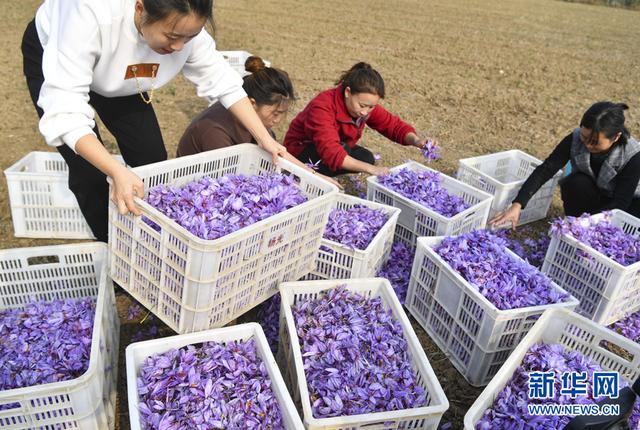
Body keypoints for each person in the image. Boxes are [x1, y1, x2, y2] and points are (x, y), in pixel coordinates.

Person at [21, 0, 286, 242]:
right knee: (90, 173)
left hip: (125, 74)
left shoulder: (181, 23)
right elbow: (66, 112)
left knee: (152, 158)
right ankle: (113, 247)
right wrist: (115, 170)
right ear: (140, 8)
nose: (179, 47)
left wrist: (264, 139)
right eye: (172, 37)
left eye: (190, 37)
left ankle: (151, 238)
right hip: (58, 54)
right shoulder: (89, 15)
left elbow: (224, 82)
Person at [490, 102, 640, 229]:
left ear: (616, 137)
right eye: (584, 137)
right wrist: (517, 205)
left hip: (626, 204)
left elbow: (620, 202)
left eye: (594, 142)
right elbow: (546, 169)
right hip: (597, 193)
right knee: (576, 183)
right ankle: (574, 225)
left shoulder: (632, 155)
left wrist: (584, 225)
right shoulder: (575, 139)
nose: (587, 145)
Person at [283, 62, 436, 177]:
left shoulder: (365, 107)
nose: (365, 112)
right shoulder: (323, 106)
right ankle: (313, 175)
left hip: (337, 146)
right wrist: (371, 170)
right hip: (301, 150)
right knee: (348, 154)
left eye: (371, 107)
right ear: (348, 92)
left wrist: (417, 141)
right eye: (362, 105)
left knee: (366, 158)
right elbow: (331, 151)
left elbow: (393, 126)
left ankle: (331, 170)